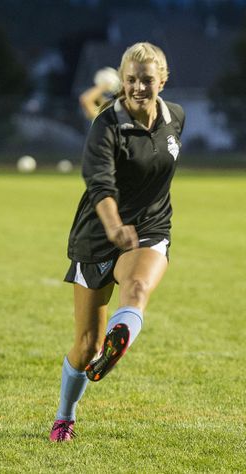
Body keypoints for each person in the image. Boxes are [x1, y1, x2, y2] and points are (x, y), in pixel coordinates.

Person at [50, 42, 185, 442]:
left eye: (147, 79)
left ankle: (119, 340)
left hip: (149, 227)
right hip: (98, 234)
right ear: (123, 82)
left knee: (138, 287)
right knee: (86, 345)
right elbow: (100, 184)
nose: (139, 87)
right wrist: (112, 225)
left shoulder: (176, 117)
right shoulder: (106, 124)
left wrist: (132, 228)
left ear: (162, 79)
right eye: (131, 80)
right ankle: (65, 416)